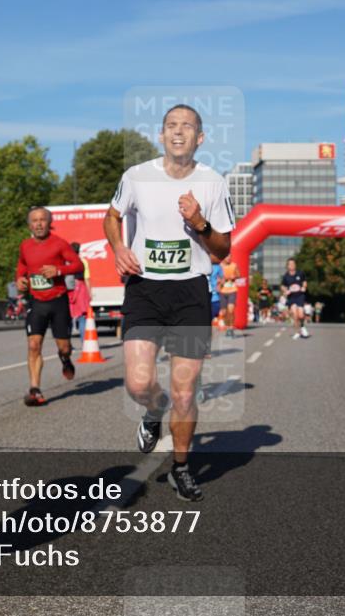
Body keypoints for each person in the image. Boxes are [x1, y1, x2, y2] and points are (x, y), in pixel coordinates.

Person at [103, 104, 235, 502]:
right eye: (171, 126)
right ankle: (152, 410)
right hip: (144, 289)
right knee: (139, 382)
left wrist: (199, 223)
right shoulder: (137, 176)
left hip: (191, 293)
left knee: (185, 392)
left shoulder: (212, 183)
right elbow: (112, 216)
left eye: (188, 127)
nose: (179, 132)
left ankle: (180, 467)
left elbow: (223, 248)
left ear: (200, 138)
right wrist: (118, 246)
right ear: (161, 135)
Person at [16, 206, 84, 406]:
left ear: (49, 223)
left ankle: (65, 358)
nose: (38, 224)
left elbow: (78, 265)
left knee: (63, 347)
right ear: (30, 224)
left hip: (58, 301)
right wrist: (20, 279)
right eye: (35, 220)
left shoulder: (59, 244)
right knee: (33, 345)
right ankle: (35, 389)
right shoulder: (25, 246)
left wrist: (59, 271)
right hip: (36, 302)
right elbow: (21, 266)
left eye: (42, 220)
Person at [67, 241, 92, 341]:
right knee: (82, 317)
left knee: (67, 317)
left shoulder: (66, 262)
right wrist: (89, 293)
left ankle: (67, 343)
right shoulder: (83, 262)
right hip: (81, 288)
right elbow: (87, 278)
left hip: (69, 290)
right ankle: (84, 342)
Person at [280, 258, 309, 339]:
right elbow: (282, 286)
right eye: (290, 264)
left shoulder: (300, 273)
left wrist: (304, 287)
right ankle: (297, 332)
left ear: (295, 265)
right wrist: (285, 290)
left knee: (301, 315)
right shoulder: (286, 276)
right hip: (291, 297)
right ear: (288, 266)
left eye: (293, 264)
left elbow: (304, 282)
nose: (292, 265)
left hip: (300, 296)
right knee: (295, 315)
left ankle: (302, 326)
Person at [218, 254, 240, 337]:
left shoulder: (234, 265)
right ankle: (227, 327)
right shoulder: (220, 266)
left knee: (231, 310)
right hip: (223, 291)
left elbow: (239, 275)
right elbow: (216, 276)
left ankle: (231, 328)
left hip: (232, 290)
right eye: (227, 257)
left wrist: (234, 276)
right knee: (224, 312)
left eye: (230, 257)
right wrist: (220, 280)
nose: (229, 258)